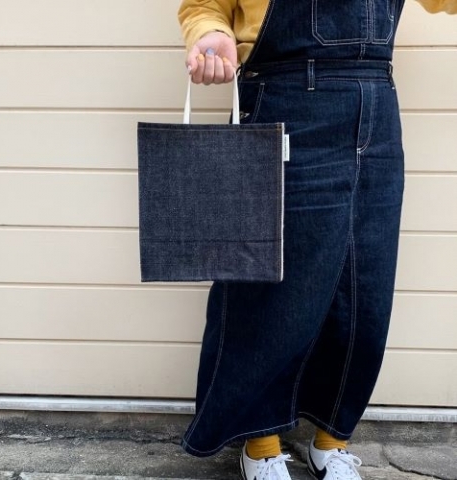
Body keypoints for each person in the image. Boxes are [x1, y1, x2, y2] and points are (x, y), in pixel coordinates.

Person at [177, 1, 456, 479]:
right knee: (269, 290)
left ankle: (331, 442)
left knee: (361, 288)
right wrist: (209, 33)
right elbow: (204, 6)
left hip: (375, 107)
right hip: (284, 102)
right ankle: (261, 446)